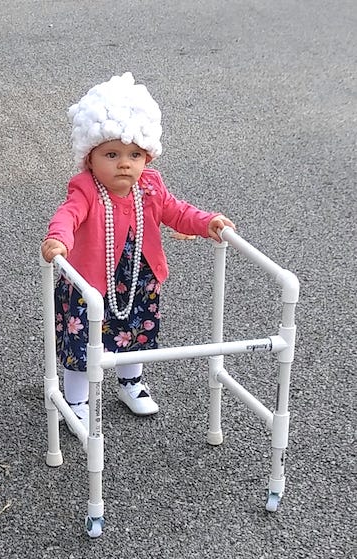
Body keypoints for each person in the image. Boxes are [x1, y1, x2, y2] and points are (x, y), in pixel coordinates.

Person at [41, 73, 235, 431]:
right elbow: (68, 214)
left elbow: (177, 211)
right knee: (83, 343)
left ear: (147, 156)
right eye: (111, 154)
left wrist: (207, 223)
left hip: (139, 280)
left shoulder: (150, 186)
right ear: (90, 157)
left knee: (134, 334)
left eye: (134, 155)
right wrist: (59, 239)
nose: (124, 164)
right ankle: (76, 401)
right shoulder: (85, 188)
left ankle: (131, 383)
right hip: (92, 284)